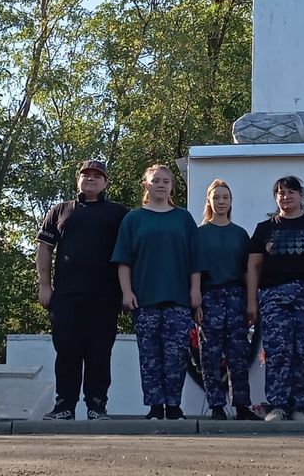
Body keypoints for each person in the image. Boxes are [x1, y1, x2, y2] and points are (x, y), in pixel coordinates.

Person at [36, 159, 129, 420]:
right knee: (67, 352)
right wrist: (45, 285)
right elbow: (44, 248)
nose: (90, 178)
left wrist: (127, 291)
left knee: (100, 353)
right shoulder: (60, 210)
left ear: (105, 182)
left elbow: (129, 254)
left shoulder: (119, 213)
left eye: (97, 175)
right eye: (85, 174)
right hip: (66, 296)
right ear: (78, 179)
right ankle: (64, 405)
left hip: (106, 297)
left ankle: (96, 406)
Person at [112, 163, 202, 420]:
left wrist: (196, 290)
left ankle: (173, 406)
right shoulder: (133, 219)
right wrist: (126, 292)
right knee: (149, 356)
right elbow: (124, 261)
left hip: (178, 299)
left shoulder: (183, 218)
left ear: (172, 186)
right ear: (146, 185)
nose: (161, 185)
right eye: (156, 180)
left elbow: (195, 258)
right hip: (144, 299)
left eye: (165, 181)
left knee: (176, 355)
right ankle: (154, 406)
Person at [247, 175, 304, 421]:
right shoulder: (265, 228)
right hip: (273, 296)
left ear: (301, 195)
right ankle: (277, 405)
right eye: (281, 193)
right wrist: (252, 301)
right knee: (277, 351)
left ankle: (298, 406)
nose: (286, 197)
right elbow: (253, 266)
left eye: (291, 192)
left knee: (303, 351)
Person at [196, 179, 261, 421]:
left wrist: (251, 301)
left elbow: (247, 271)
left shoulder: (240, 234)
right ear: (209, 201)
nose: (221, 201)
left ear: (231, 201)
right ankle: (216, 405)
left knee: (238, 354)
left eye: (225, 197)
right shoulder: (200, 233)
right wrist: (196, 302)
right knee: (210, 355)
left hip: (236, 297)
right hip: (209, 296)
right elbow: (194, 269)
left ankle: (242, 405)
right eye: (216, 197)